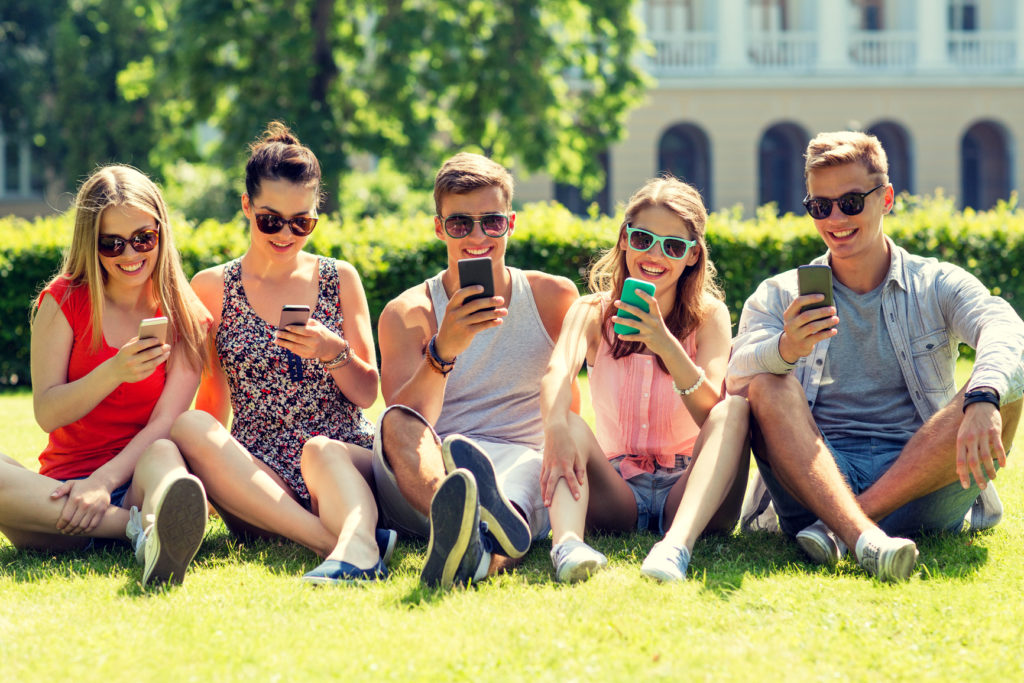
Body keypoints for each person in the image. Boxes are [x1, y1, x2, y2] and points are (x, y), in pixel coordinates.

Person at [727, 131, 1024, 581]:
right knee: (767, 382)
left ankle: (843, 530)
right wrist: (785, 349)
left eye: (850, 202)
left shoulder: (935, 282)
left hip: (918, 485)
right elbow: (732, 381)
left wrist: (983, 396)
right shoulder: (781, 294)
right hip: (818, 481)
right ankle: (860, 534)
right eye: (820, 207)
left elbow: (1003, 325)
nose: (835, 219)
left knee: (1005, 386)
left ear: (885, 199)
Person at [170, 122, 392, 585]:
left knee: (318, 449)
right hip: (259, 479)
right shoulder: (212, 287)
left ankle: (345, 536)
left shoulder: (339, 278)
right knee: (190, 426)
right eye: (271, 219)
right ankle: (341, 541)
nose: (286, 234)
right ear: (247, 207)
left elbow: (368, 393)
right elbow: (212, 402)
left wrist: (333, 351)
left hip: (336, 459)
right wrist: (214, 476)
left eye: (302, 222)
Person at [375, 152, 579, 589]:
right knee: (394, 422)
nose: (477, 236)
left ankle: (473, 545)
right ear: (439, 228)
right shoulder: (407, 313)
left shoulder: (553, 298)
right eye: (460, 224)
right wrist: (443, 349)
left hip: (520, 457)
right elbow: (407, 425)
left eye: (492, 221)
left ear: (511, 223)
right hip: (434, 467)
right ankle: (460, 520)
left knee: (528, 471)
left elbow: (568, 409)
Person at [0, 165, 210, 586]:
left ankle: (157, 527)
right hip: (60, 497)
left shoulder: (187, 314)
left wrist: (104, 481)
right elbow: (47, 412)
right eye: (111, 244)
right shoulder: (62, 301)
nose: (130, 255)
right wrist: (113, 371)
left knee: (165, 455)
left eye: (142, 239)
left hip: (135, 480)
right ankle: (137, 531)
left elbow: (165, 422)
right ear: (90, 245)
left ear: (161, 232)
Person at [540, 177, 749, 582]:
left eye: (673, 246)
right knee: (567, 421)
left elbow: (713, 414)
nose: (655, 254)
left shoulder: (710, 317)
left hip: (690, 489)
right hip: (617, 491)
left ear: (692, 256)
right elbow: (557, 372)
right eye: (643, 239)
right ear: (624, 239)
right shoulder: (591, 311)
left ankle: (675, 549)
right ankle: (567, 546)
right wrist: (554, 427)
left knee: (735, 409)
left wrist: (665, 343)